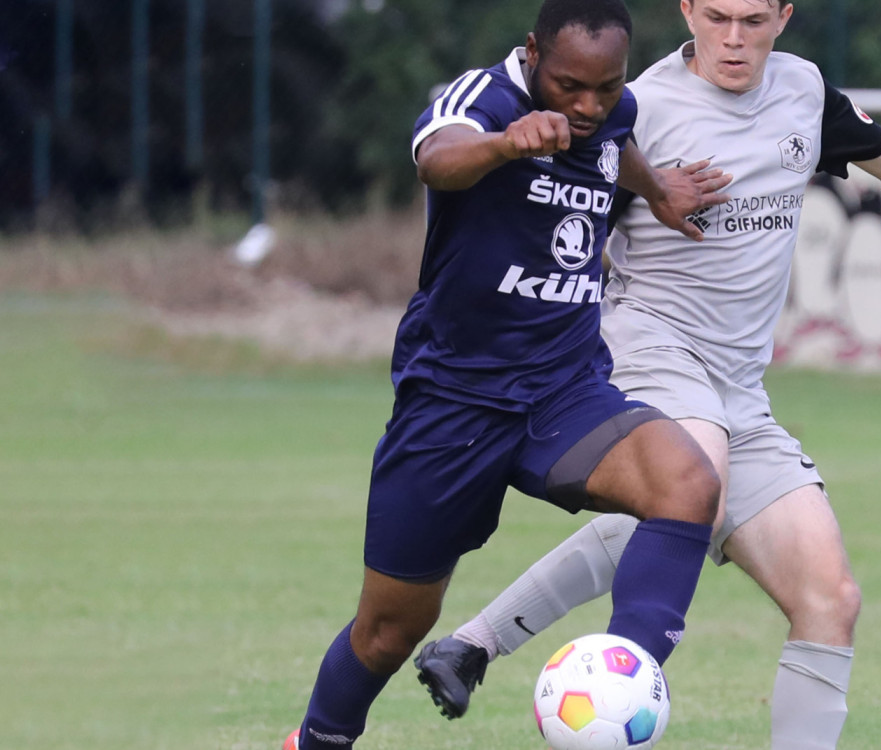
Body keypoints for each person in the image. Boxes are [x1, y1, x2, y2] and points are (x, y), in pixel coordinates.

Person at [414, 0, 881, 747]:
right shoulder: (637, 106)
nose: (735, 38)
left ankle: (473, 643)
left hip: (738, 388)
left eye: (754, 19)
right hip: (650, 346)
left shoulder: (804, 92)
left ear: (785, 14)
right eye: (718, 16)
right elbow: (548, 227)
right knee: (695, 486)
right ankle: (616, 689)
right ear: (687, 8)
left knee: (830, 596)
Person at [280, 0, 740, 747]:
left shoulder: (611, 111)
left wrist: (657, 191)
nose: (587, 105)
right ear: (532, 54)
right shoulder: (484, 99)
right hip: (454, 404)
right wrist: (504, 145)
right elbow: (437, 158)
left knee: (686, 485)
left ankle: (623, 685)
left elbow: (614, 141)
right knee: (388, 634)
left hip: (565, 392)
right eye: (568, 87)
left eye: (606, 85)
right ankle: (318, 740)